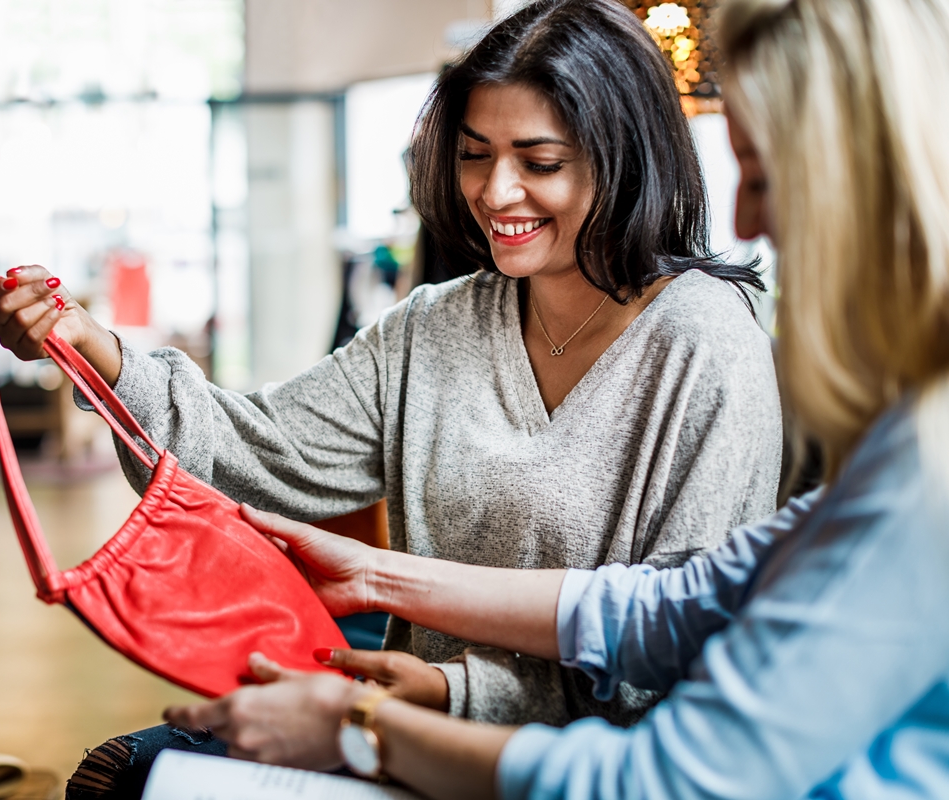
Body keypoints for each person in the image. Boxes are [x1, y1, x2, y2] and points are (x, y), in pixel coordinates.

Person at [160, 0, 949, 796]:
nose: (743, 216)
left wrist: (373, 724)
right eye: (476, 155)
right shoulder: (905, 445)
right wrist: (379, 578)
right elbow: (674, 606)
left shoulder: (913, 459)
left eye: (766, 175)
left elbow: (667, 772)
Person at [0, 0, 781, 790]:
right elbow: (256, 452)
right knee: (121, 777)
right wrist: (94, 350)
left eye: (539, 162)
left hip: (566, 767)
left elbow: (686, 644)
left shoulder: (706, 342)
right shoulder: (435, 326)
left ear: (627, 157)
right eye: (476, 155)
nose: (497, 192)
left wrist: (453, 692)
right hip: (396, 728)